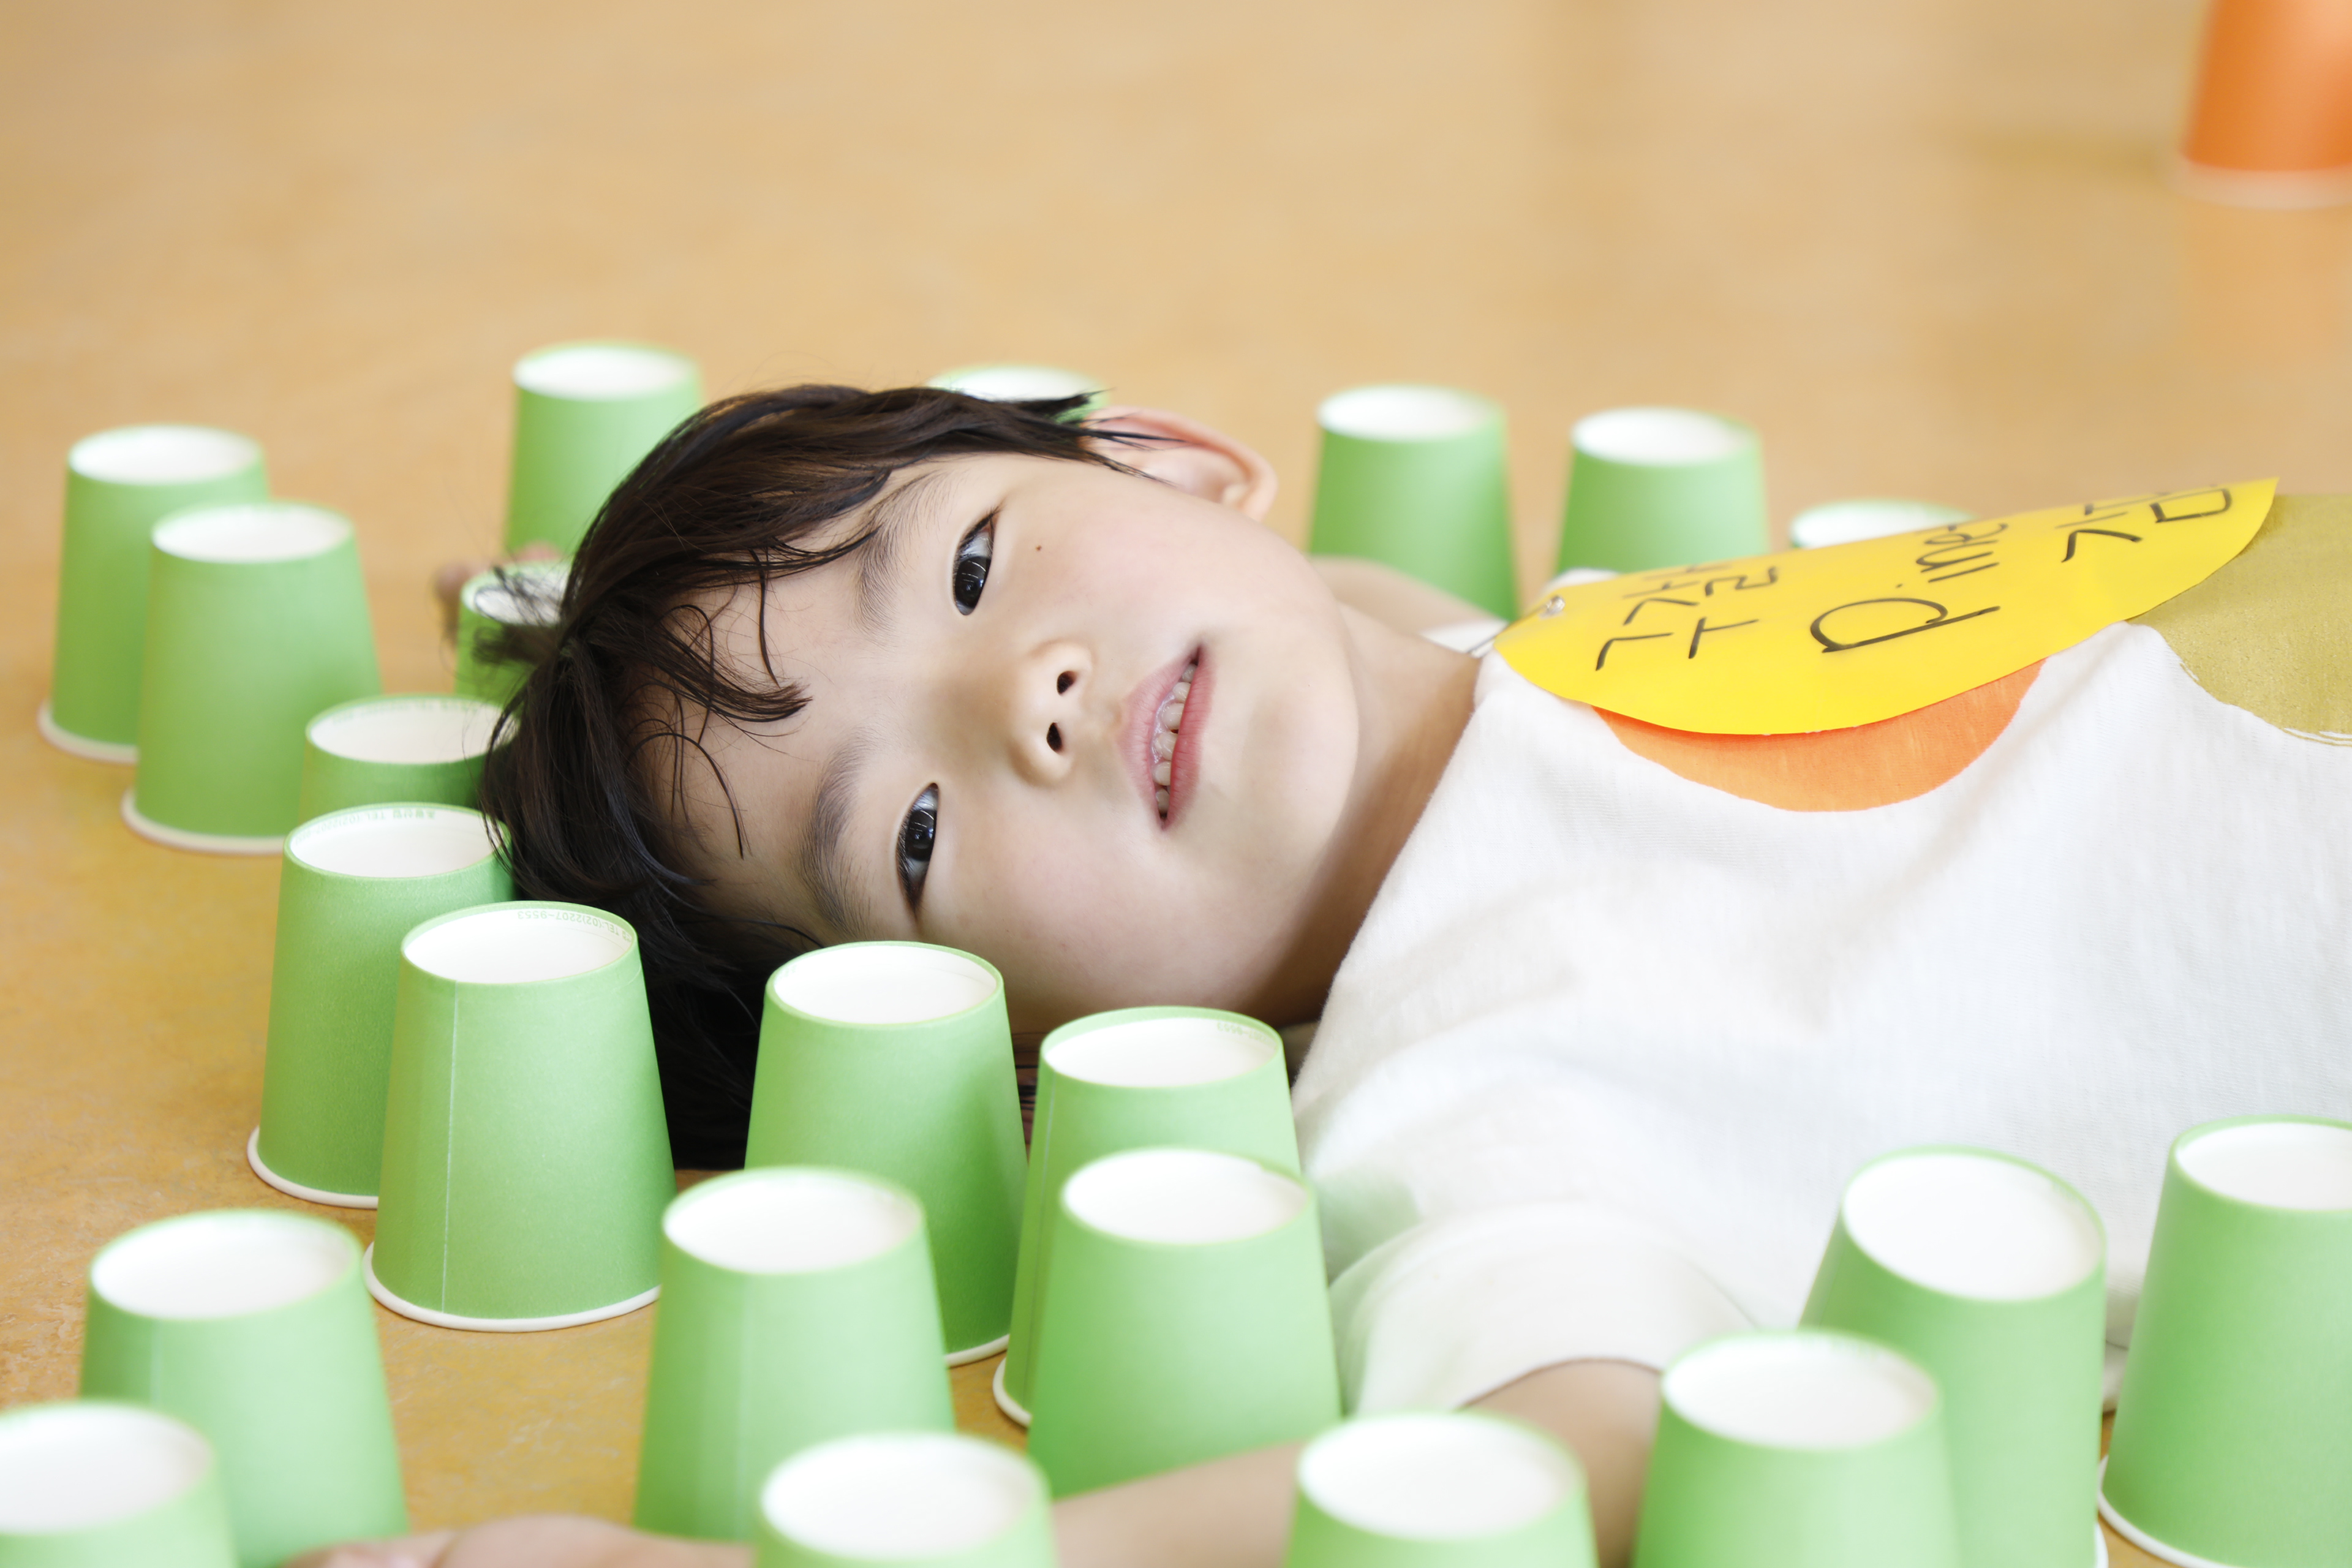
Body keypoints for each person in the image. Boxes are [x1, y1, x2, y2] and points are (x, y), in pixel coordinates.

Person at [301, 385, 2352, 1568]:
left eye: (975, 568)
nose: (1033, 695)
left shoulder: (1499, 657)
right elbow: (1577, 1458)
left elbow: (1344, 608)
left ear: (1179, 458)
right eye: (909, 837)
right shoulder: (1459, 1109)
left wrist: (551, 616)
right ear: (1020, 1055)